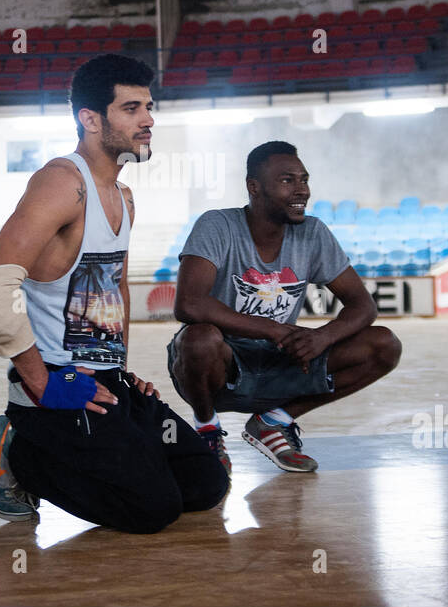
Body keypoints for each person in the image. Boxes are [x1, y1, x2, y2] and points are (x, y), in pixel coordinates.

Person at [0, 54, 229, 534]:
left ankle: (111, 443)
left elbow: (113, 290)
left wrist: (121, 369)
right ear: (90, 119)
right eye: (131, 108)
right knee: (153, 509)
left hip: (106, 379)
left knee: (205, 484)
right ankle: (19, 452)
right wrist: (40, 383)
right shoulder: (63, 184)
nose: (148, 120)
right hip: (56, 384)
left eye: (149, 107)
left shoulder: (124, 197)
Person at [167, 141, 402, 473]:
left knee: (384, 344)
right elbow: (189, 304)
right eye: (287, 180)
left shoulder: (313, 233)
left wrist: (323, 337)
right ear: (254, 187)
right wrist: (276, 329)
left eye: (304, 179)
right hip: (224, 363)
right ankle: (207, 428)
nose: (302, 190)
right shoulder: (218, 225)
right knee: (198, 338)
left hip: (283, 359)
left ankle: (273, 421)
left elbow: (363, 306)